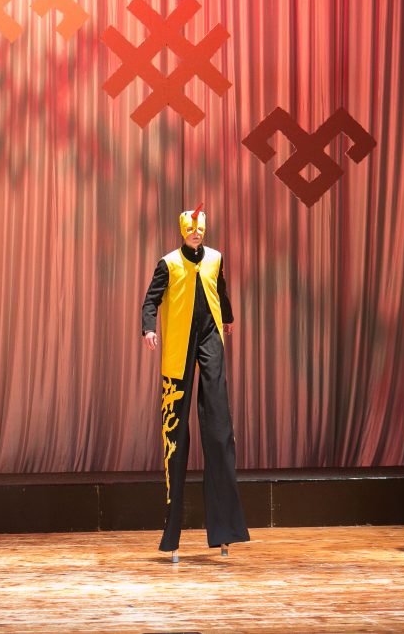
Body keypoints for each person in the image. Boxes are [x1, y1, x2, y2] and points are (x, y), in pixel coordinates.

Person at [141, 204, 249, 561]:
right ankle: (172, 534)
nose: (196, 234)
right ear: (182, 230)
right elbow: (151, 300)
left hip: (210, 339)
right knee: (175, 437)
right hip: (179, 347)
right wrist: (148, 327)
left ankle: (225, 530)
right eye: (191, 229)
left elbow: (221, 289)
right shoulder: (169, 263)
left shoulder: (215, 259)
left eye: (200, 229)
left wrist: (227, 318)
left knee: (219, 430)